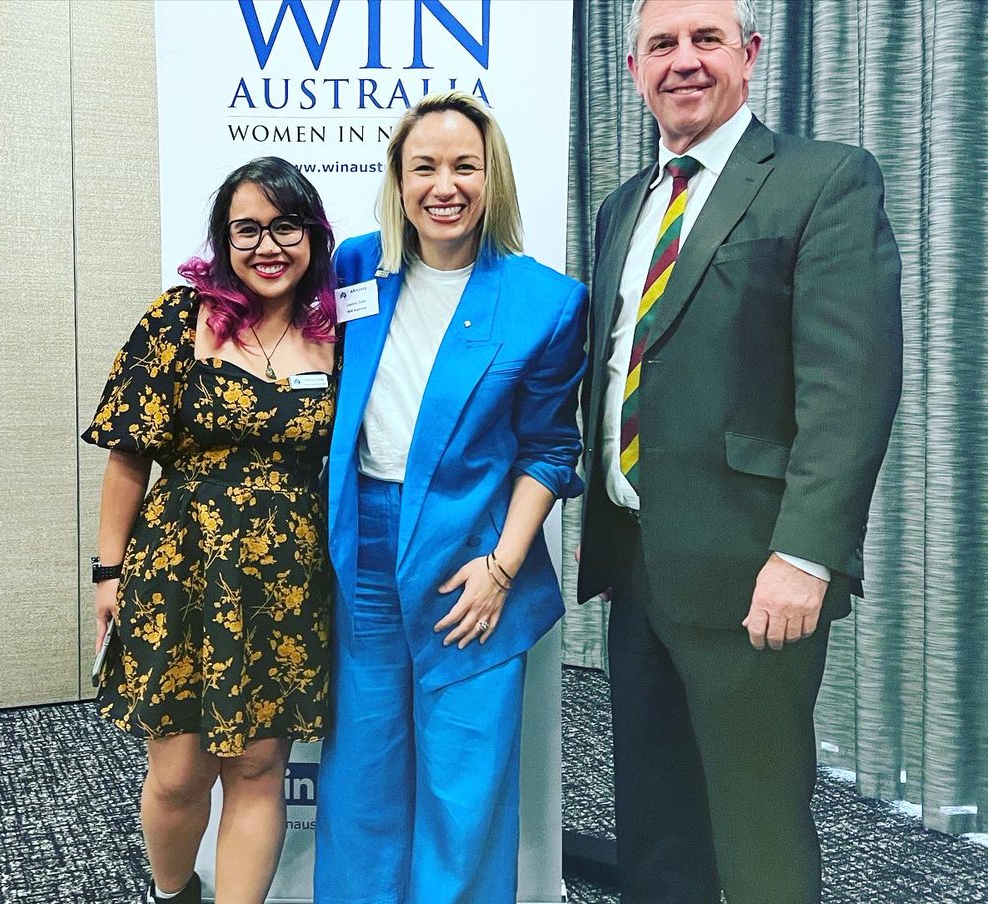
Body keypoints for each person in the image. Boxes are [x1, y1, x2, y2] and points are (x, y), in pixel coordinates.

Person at [576, 1, 903, 901]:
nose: (684, 61)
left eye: (706, 40)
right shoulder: (623, 208)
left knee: (757, 824)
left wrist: (806, 552)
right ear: (636, 68)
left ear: (750, 55)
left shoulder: (823, 179)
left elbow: (850, 388)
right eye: (662, 45)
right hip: (638, 563)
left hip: (758, 573)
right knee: (657, 821)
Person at [312, 90, 588, 904]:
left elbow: (549, 451)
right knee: (361, 775)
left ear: (490, 177)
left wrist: (502, 569)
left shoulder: (546, 300)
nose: (445, 185)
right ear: (399, 182)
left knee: (463, 792)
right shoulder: (354, 268)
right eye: (424, 166)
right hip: (362, 544)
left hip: (473, 554)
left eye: (464, 166)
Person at [81, 156, 337, 904]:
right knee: (179, 771)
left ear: (312, 235)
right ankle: (173, 893)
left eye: (285, 226)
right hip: (179, 571)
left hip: (285, 580)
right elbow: (129, 454)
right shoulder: (174, 318)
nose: (267, 245)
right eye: (246, 229)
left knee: (259, 771)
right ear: (223, 241)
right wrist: (108, 572)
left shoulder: (342, 331)